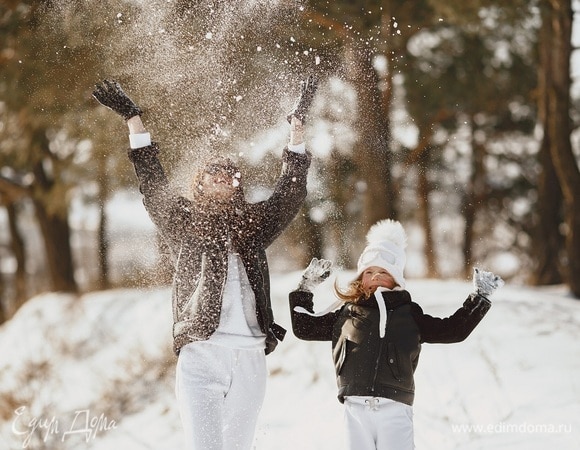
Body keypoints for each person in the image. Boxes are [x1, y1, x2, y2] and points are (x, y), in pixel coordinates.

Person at [92, 76, 317, 450]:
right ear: (199, 183)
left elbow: (289, 194)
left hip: (250, 357)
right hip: (201, 354)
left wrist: (296, 135)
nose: (223, 176)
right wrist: (134, 120)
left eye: (231, 173)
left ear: (238, 185)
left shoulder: (253, 226)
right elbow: (153, 184)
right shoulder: (183, 222)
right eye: (214, 172)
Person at [289, 219, 503, 450]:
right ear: (361, 277)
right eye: (369, 272)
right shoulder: (347, 314)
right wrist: (304, 288)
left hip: (395, 407)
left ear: (396, 277)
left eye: (383, 272)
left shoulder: (409, 315)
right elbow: (304, 328)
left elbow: (453, 330)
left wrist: (479, 299)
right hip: (354, 406)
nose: (375, 277)